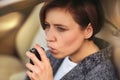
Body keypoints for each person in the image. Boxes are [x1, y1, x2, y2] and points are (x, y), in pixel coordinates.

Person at [25, 0, 118, 80]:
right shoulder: (50, 56)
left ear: (88, 30)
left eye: (61, 29)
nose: (48, 37)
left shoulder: (101, 75)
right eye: (47, 26)